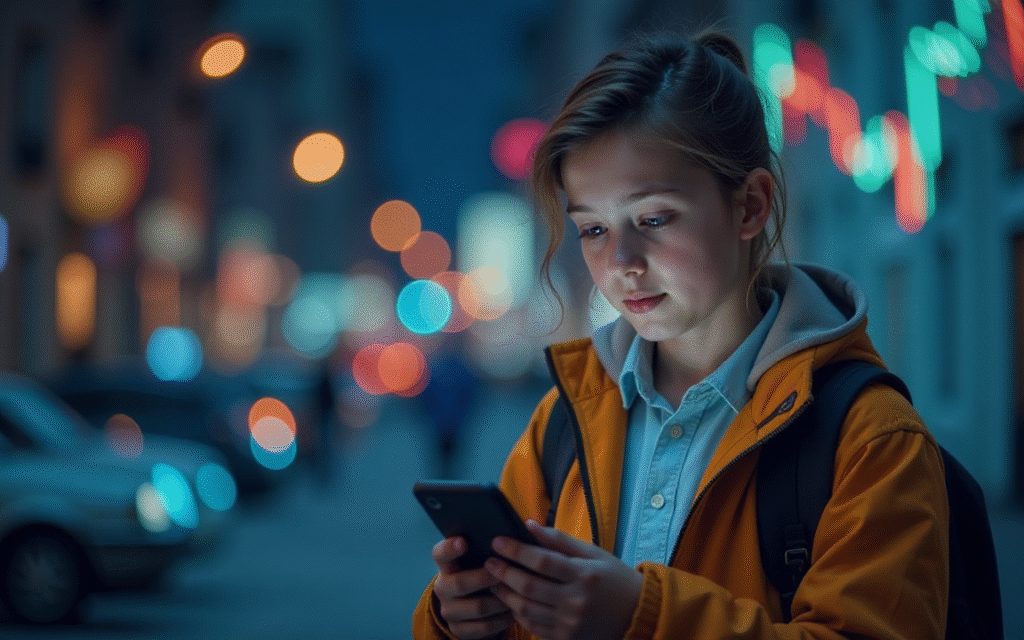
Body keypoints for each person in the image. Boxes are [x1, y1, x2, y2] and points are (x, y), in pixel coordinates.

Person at [412, 30, 949, 640]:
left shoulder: (871, 438)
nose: (622, 263)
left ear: (751, 206)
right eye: (592, 230)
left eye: (654, 218)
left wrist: (640, 618)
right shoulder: (567, 420)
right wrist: (455, 619)